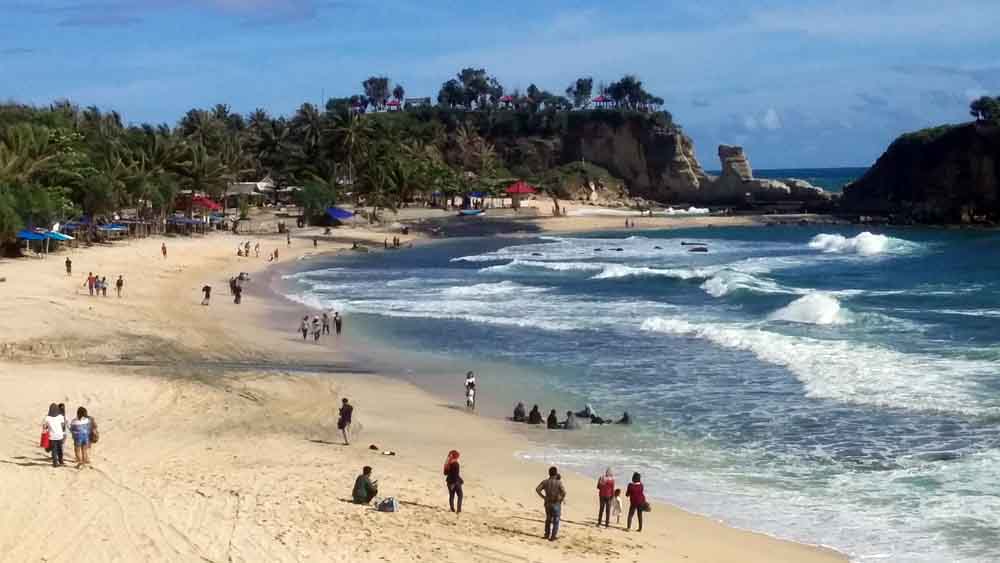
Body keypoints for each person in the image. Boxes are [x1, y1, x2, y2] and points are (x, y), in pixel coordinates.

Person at [535, 466, 566, 541]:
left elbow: (537, 489)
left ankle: (546, 534)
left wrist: (543, 497)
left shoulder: (545, 482)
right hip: (556, 503)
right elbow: (564, 492)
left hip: (547, 503)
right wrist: (561, 499)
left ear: (549, 473)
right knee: (556, 520)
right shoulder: (558, 482)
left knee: (548, 519)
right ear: (556, 473)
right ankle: (553, 536)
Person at [43, 403, 66, 467]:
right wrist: (63, 433)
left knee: (54, 450)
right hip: (59, 435)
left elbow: (44, 427)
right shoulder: (60, 417)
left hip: (52, 436)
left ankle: (55, 463)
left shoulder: (47, 418)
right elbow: (63, 426)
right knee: (60, 449)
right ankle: (61, 461)